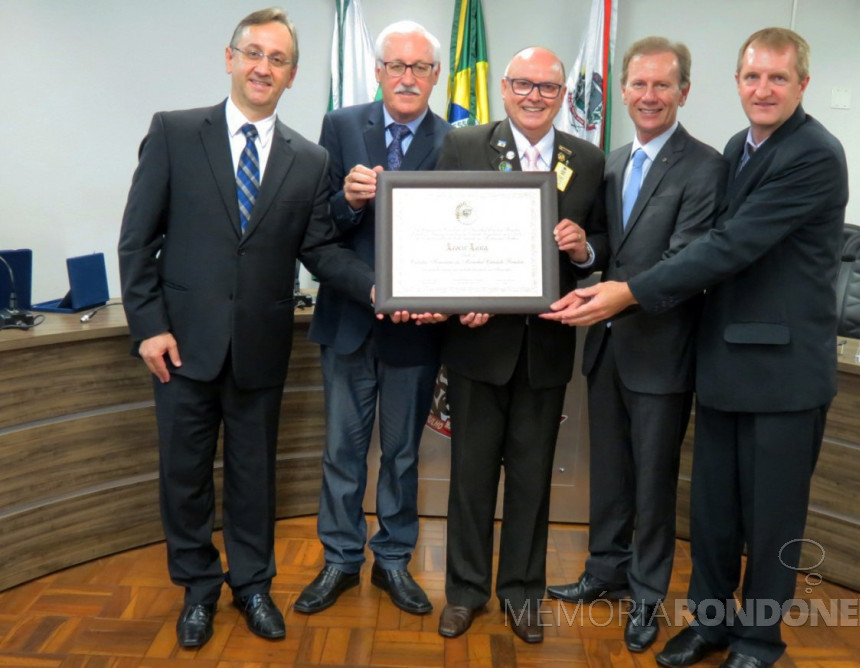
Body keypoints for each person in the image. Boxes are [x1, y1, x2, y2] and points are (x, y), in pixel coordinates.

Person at [544, 27, 848, 668]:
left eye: (778, 78)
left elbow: (726, 248)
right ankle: (711, 624)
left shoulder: (815, 153)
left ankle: (759, 639)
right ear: (737, 82)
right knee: (711, 514)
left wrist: (624, 293)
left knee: (770, 523)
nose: (763, 89)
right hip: (723, 363)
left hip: (782, 374)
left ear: (802, 85)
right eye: (752, 76)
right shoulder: (742, 147)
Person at [118, 8, 352, 648]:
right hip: (181, 347)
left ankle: (252, 586)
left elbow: (322, 251)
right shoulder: (174, 132)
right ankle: (197, 588)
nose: (262, 67)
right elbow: (138, 241)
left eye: (277, 60)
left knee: (254, 479)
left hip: (259, 349)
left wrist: (382, 290)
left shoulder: (310, 158)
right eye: (253, 53)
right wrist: (148, 327)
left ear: (292, 75)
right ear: (229, 58)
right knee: (184, 476)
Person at [545, 37, 726, 654]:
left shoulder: (706, 167)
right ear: (621, 90)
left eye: (662, 86)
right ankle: (605, 572)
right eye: (638, 85)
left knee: (653, 483)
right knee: (611, 475)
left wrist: (619, 293)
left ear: (683, 93)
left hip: (662, 350)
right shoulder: (612, 160)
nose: (648, 96)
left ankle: (647, 596)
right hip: (607, 348)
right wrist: (582, 252)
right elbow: (605, 245)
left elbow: (689, 262)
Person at [434, 46, 604, 644]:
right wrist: (460, 295)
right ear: (503, 89)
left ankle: (524, 593)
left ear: (563, 96)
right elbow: (439, 232)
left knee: (532, 480)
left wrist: (582, 248)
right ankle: (464, 593)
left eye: (548, 88)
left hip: (544, 350)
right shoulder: (464, 146)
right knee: (470, 478)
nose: (535, 96)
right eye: (524, 85)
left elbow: (598, 248)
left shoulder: (586, 158)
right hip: (478, 346)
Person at [293, 21, 449, 618]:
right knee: (342, 450)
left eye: (420, 67)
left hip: (417, 326)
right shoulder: (339, 126)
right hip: (350, 321)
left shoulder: (456, 140)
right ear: (379, 71)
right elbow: (318, 229)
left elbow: (456, 240)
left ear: (435, 75)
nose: (407, 77)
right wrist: (347, 200)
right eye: (396, 66)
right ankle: (338, 559)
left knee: (404, 453)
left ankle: (393, 560)